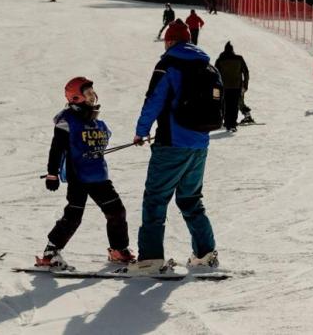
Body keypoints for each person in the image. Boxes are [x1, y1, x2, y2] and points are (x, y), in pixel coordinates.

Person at [130, 19, 218, 274]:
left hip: (171, 143)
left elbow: (154, 100)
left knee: (155, 199)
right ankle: (205, 253)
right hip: (200, 144)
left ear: (170, 41)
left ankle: (150, 258)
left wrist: (141, 132)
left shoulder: (168, 64)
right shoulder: (208, 66)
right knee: (190, 199)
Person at [35, 77, 134, 269]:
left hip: (99, 176)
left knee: (116, 211)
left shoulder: (96, 121)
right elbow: (56, 148)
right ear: (75, 97)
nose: (92, 95)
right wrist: (52, 173)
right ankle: (50, 252)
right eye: (87, 93)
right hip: (78, 177)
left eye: (92, 92)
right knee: (74, 216)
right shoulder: (67, 121)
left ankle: (118, 249)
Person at [215, 42, 250, 131]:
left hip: (224, 86)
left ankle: (227, 123)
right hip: (236, 86)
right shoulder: (239, 58)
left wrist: (216, 87)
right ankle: (233, 124)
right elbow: (246, 72)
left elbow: (215, 74)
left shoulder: (220, 59)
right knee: (234, 105)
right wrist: (245, 85)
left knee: (225, 104)